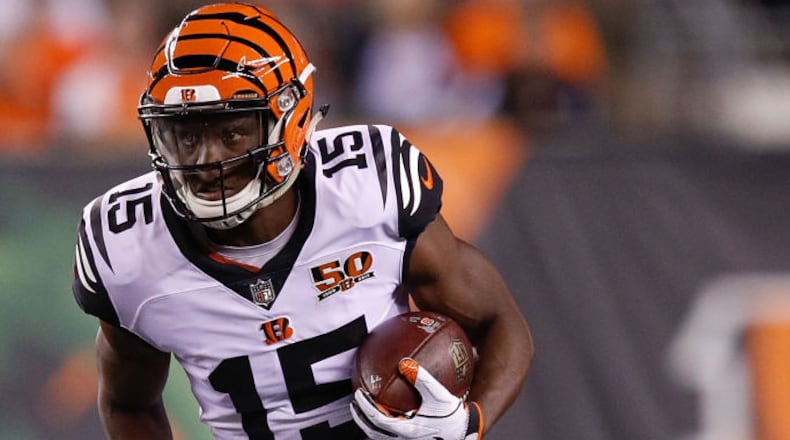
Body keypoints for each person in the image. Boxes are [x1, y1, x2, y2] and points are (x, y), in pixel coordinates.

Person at [71, 2, 534, 439]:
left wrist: (468, 424)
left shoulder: (369, 192)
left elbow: (498, 323)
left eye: (231, 131)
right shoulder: (128, 251)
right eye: (185, 134)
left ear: (289, 120)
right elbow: (127, 402)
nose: (205, 160)